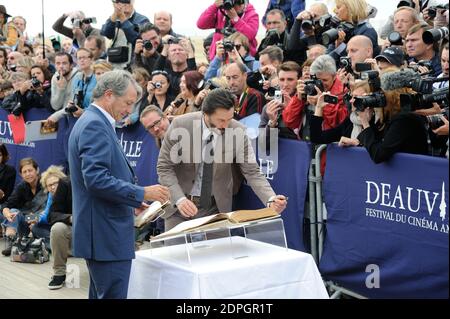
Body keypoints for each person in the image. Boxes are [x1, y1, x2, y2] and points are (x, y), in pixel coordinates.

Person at [68, 69, 170, 299]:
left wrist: (131, 201)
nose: (130, 110)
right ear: (109, 95)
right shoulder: (94, 124)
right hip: (106, 236)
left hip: (104, 232)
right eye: (128, 102)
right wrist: (141, 192)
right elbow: (96, 180)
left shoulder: (94, 121)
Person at [157, 88, 287, 230]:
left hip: (214, 208)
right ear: (205, 114)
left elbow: (252, 172)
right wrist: (180, 199)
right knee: (177, 251)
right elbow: (164, 167)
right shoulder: (180, 125)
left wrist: (270, 199)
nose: (226, 125)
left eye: (230, 119)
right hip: (178, 207)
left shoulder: (238, 131)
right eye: (221, 120)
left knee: (216, 252)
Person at [1, 158, 48, 256]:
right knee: (13, 211)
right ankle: (12, 241)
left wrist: (35, 218)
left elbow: (51, 210)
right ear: (21, 175)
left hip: (43, 220)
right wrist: (6, 212)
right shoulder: (21, 187)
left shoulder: (46, 183)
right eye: (24, 172)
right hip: (27, 221)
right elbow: (7, 204)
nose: (27, 174)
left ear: (37, 170)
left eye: (30, 170)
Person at [39, 166, 72, 290]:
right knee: (55, 229)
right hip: (70, 229)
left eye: (55, 183)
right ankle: (59, 273)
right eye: (49, 185)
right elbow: (51, 216)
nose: (53, 187)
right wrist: (70, 218)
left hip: (90, 228)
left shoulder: (72, 187)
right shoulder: (52, 198)